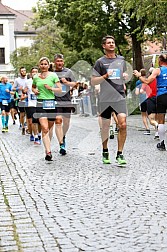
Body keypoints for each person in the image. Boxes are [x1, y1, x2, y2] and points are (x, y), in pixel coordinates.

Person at [91, 35, 127, 165]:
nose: (111, 44)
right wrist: (105, 76)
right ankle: (105, 150)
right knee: (105, 127)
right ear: (104, 46)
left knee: (122, 124)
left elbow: (123, 77)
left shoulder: (121, 60)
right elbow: (93, 80)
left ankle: (120, 153)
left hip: (119, 96)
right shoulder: (100, 62)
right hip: (105, 99)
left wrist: (124, 77)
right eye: (109, 43)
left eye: (113, 42)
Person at [134, 54, 167, 151]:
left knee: (161, 120)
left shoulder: (158, 70)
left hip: (161, 95)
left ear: (160, 61)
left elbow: (147, 81)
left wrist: (139, 76)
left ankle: (162, 143)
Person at [32, 57, 62, 161]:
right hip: (40, 103)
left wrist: (51, 88)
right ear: (39, 65)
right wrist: (35, 91)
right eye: (42, 64)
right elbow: (33, 87)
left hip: (51, 103)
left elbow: (60, 89)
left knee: (49, 128)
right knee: (44, 128)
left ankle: (48, 146)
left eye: (45, 64)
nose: (43, 66)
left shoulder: (53, 76)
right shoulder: (36, 77)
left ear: (48, 65)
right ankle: (48, 152)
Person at [54, 53, 76, 155]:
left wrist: (66, 83)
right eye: (57, 61)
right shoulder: (51, 73)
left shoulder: (68, 72)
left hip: (67, 100)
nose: (59, 63)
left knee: (66, 123)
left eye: (61, 61)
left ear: (63, 62)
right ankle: (61, 144)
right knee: (58, 120)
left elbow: (75, 84)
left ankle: (63, 136)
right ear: (54, 62)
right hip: (55, 100)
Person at [23, 67, 42, 145]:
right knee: (33, 121)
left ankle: (39, 133)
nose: (34, 73)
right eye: (33, 72)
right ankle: (36, 136)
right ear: (31, 73)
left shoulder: (41, 80)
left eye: (36, 72)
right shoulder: (28, 82)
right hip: (31, 104)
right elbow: (24, 90)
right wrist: (25, 91)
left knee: (40, 121)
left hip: (40, 103)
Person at [140, 67, 159, 139]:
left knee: (151, 120)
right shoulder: (159, 80)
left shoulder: (147, 81)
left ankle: (157, 125)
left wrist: (146, 91)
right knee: (158, 117)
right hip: (159, 98)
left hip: (150, 99)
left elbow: (141, 91)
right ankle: (157, 133)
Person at [135, 69, 150, 135]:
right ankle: (156, 127)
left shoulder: (138, 82)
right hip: (150, 99)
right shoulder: (149, 80)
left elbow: (137, 93)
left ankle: (147, 129)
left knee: (143, 115)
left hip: (142, 100)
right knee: (150, 114)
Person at [12, 67, 27, 135]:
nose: (23, 72)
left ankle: (26, 124)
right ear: (20, 72)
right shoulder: (17, 80)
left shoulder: (28, 79)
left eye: (24, 70)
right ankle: (22, 125)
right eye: (22, 71)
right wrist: (18, 88)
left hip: (27, 97)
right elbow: (13, 88)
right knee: (22, 113)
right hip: (20, 97)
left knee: (28, 112)